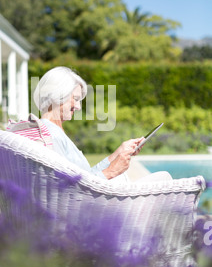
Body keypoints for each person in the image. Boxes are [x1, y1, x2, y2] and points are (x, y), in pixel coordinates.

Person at [33, 66, 172, 184]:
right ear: (57, 95)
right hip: (90, 208)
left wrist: (118, 153)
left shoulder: (50, 131)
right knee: (163, 179)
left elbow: (86, 175)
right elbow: (69, 187)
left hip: (91, 199)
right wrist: (112, 171)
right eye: (75, 99)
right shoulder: (51, 136)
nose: (78, 107)